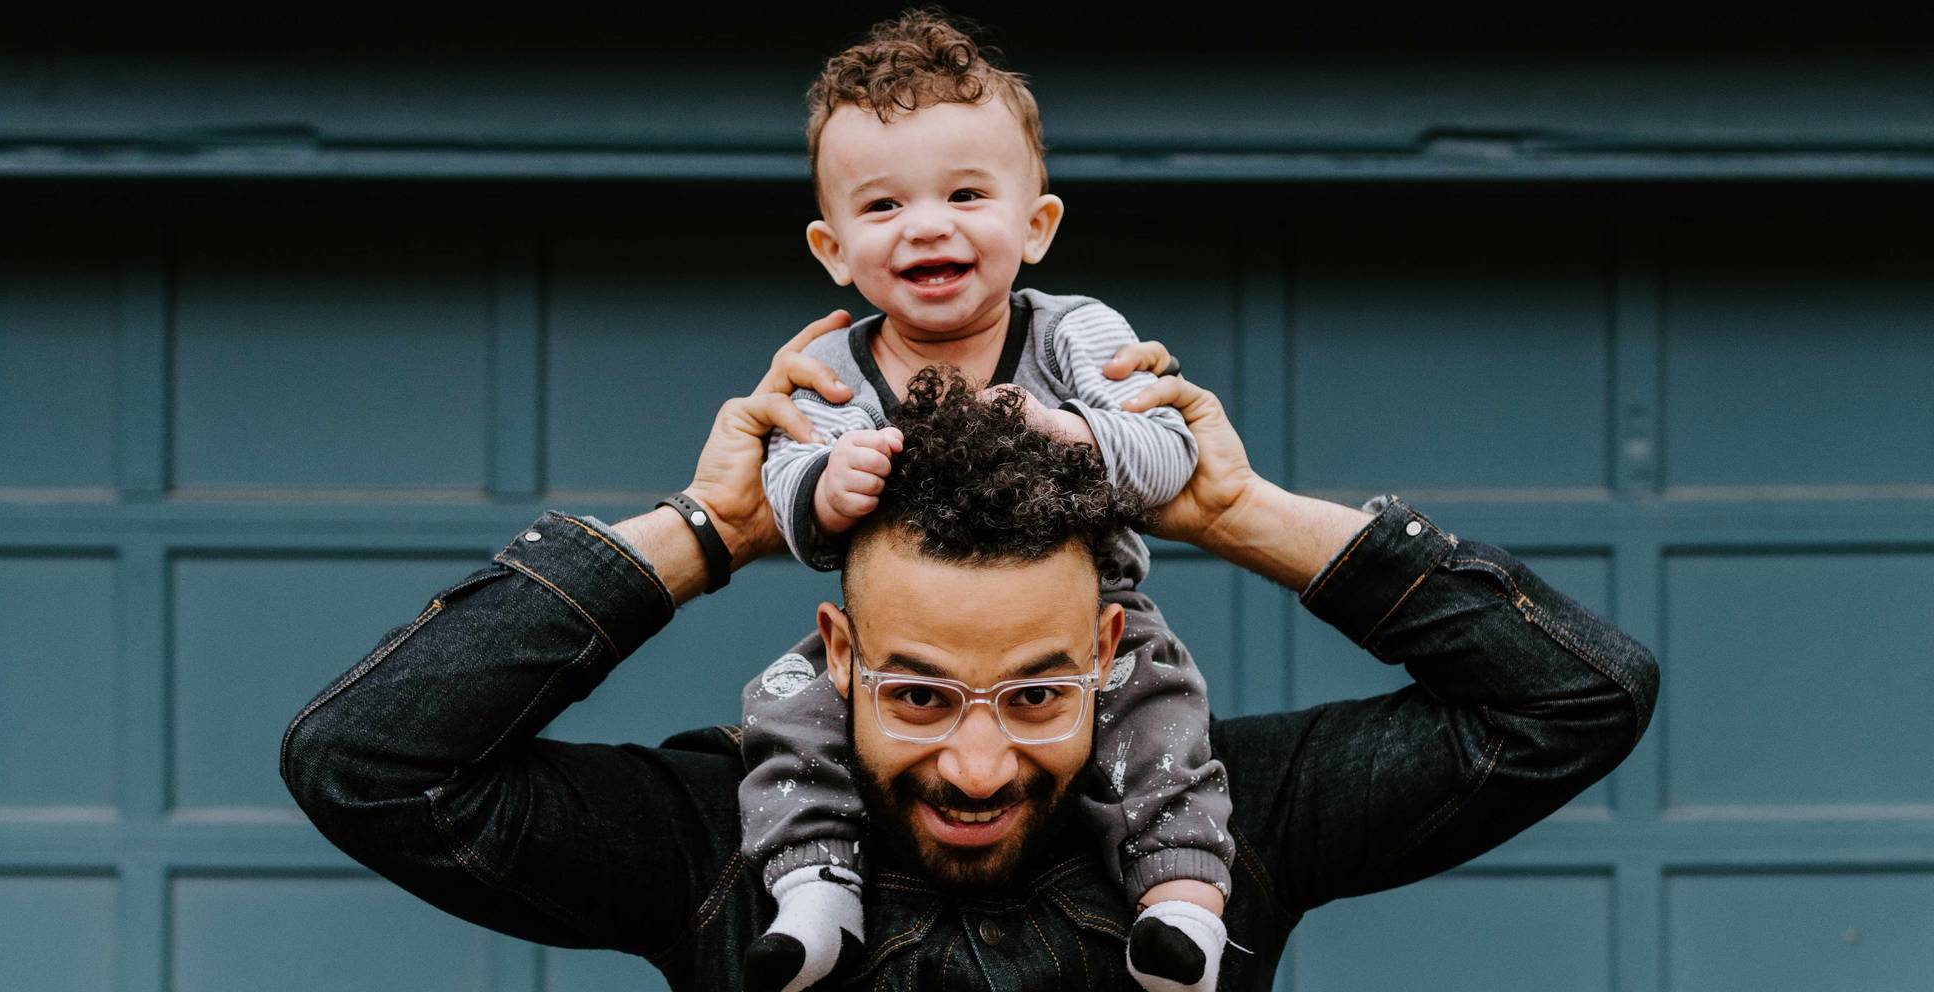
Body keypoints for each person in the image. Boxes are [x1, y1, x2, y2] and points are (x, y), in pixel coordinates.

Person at [280, 312, 1660, 992]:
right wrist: (709, 530)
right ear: (838, 653)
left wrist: (1238, 514)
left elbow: (1576, 695)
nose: (980, 761)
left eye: (1039, 692)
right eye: (922, 694)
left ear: (1111, 648)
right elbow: (370, 763)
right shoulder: (716, 845)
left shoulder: (1230, 825)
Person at [744, 7, 1231, 992]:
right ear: (832, 249)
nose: (927, 224)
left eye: (965, 194)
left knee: (1161, 715)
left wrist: (1077, 433)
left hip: (1094, 612)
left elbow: (1167, 451)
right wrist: (823, 487)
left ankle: (1179, 905)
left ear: (1035, 225)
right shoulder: (829, 366)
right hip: (895, 634)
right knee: (783, 708)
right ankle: (813, 888)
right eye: (881, 209)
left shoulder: (1074, 336)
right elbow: (784, 484)